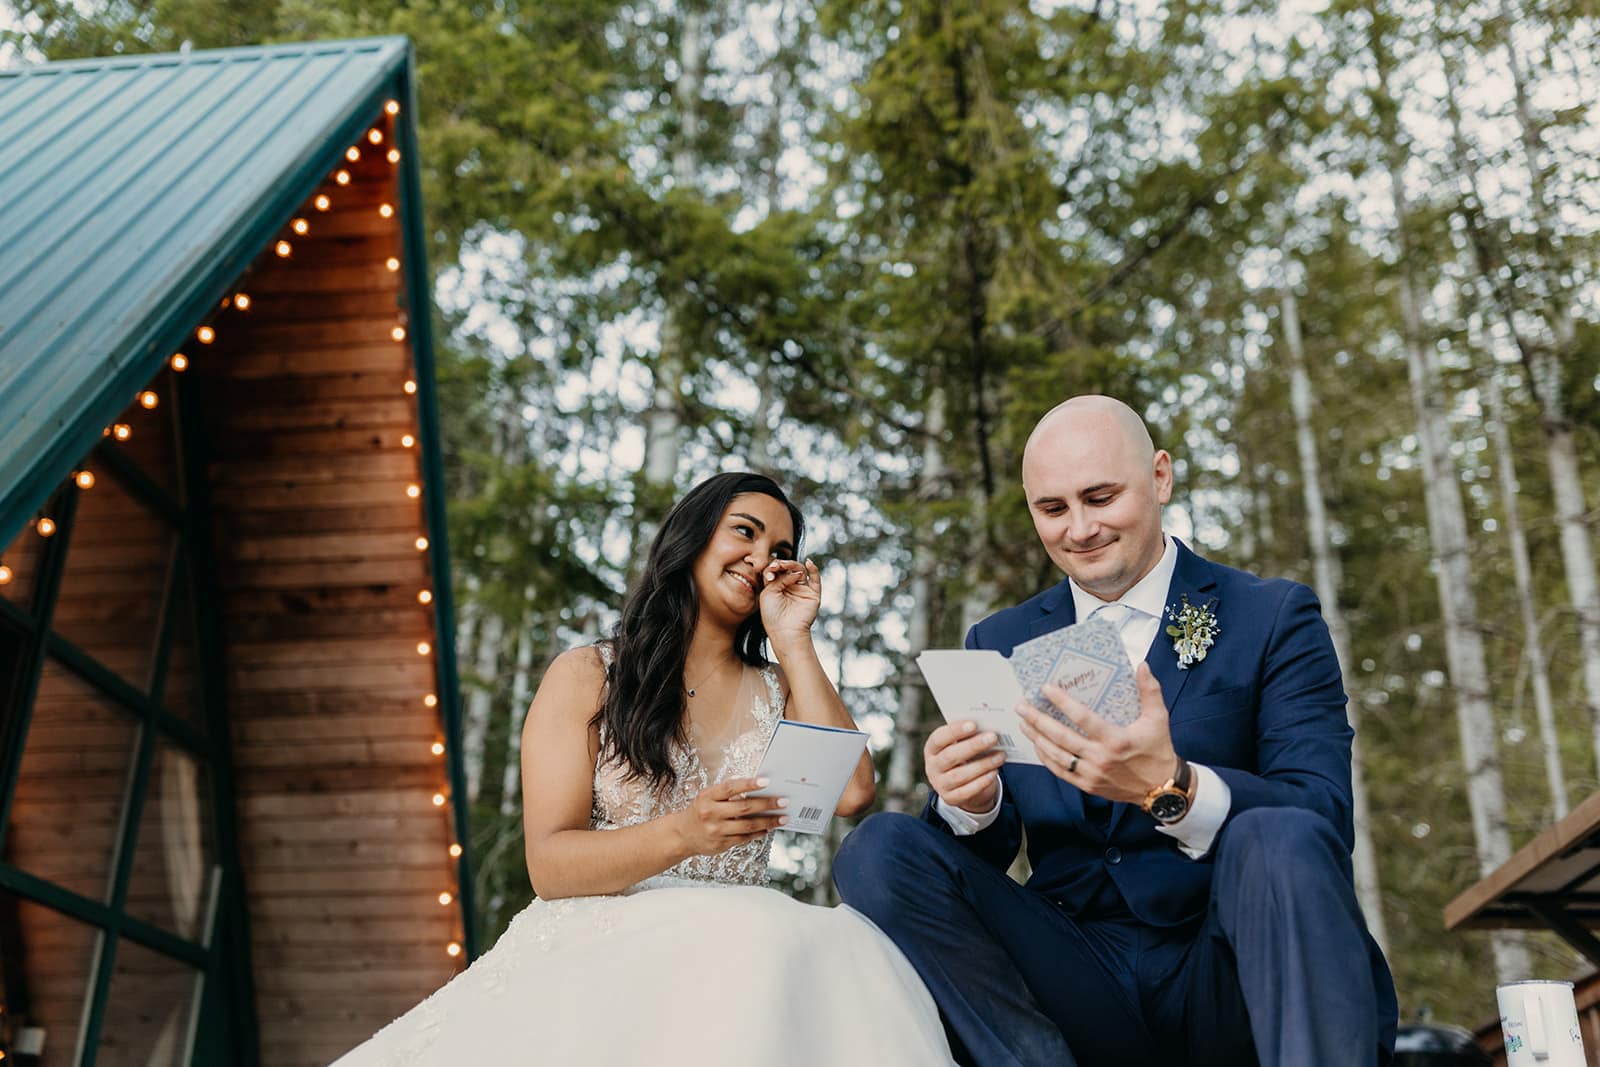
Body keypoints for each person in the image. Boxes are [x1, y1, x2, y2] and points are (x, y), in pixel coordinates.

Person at [833, 396, 1399, 1067]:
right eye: (1052, 508)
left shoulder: (1271, 614)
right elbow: (981, 858)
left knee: (1278, 829)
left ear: (1160, 476)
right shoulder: (1000, 638)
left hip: (1229, 966)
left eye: (1100, 497)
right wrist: (970, 802)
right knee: (879, 849)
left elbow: (1322, 817)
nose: (1079, 529)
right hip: (1077, 971)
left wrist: (1174, 787)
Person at [334, 471, 955, 1067]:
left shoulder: (778, 689)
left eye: (781, 548)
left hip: (738, 961)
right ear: (693, 535)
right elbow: (549, 866)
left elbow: (852, 791)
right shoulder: (586, 675)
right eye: (744, 531)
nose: (762, 557)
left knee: (845, 954)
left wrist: (794, 640)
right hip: (604, 947)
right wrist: (686, 833)